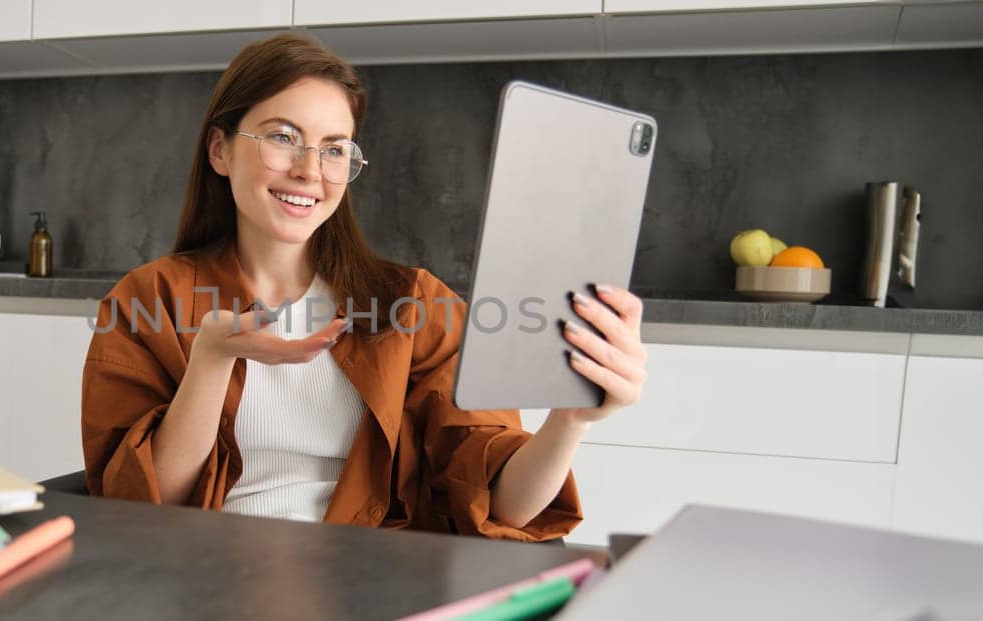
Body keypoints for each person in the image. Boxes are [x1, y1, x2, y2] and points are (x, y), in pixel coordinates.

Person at [80, 34, 648, 541]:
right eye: (283, 136)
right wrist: (211, 358)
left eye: (334, 148)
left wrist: (569, 421)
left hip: (369, 580)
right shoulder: (147, 300)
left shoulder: (415, 305)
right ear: (220, 150)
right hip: (208, 578)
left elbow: (506, 508)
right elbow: (139, 510)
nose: (311, 170)